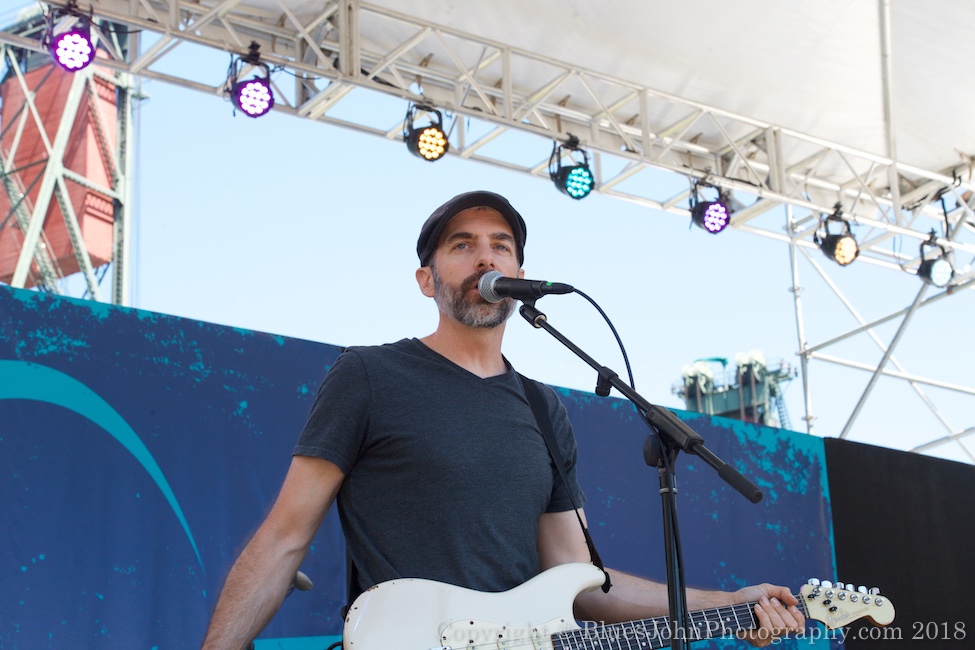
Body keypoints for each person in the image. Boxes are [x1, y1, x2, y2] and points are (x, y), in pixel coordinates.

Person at [201, 191, 805, 649]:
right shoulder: (368, 375)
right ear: (426, 279)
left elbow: (578, 579)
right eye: (461, 245)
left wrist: (724, 603)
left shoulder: (544, 410)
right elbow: (284, 537)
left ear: (517, 276)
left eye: (500, 245)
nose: (484, 256)